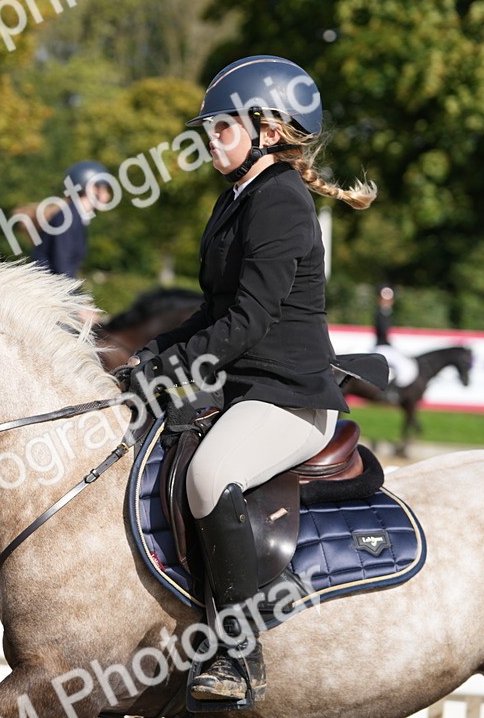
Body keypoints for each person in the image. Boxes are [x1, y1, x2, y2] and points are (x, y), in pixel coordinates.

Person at [119, 55, 377, 703]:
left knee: (211, 475)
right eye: (208, 129)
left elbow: (249, 321)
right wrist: (151, 355)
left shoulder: (281, 201)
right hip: (244, 389)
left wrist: (176, 367)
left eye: (222, 128)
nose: (210, 140)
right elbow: (213, 310)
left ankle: (237, 652)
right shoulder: (236, 198)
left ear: (268, 131)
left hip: (289, 397)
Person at [28, 160, 113, 278]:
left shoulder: (74, 215)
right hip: (46, 284)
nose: (108, 195)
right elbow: (61, 266)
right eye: (105, 189)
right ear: (92, 188)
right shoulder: (67, 217)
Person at [373, 284, 417, 393]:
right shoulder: (382, 313)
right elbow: (384, 333)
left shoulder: (386, 314)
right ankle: (394, 390)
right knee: (403, 364)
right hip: (383, 348)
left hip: (385, 347)